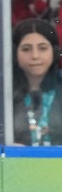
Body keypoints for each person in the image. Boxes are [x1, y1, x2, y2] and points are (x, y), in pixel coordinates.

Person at [12, 18, 62, 146]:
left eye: (43, 48)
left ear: (55, 52)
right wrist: (5, 150)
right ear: (14, 53)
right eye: (26, 49)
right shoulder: (4, 92)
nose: (35, 56)